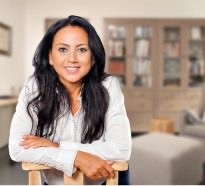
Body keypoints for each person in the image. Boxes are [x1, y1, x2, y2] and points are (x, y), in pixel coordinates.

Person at [9, 15, 132, 185]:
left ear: (93, 57)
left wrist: (56, 146)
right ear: (50, 56)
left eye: (81, 50)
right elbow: (17, 148)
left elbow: (121, 150)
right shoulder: (34, 86)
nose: (72, 59)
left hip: (104, 181)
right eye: (62, 49)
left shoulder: (109, 86)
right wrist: (77, 157)